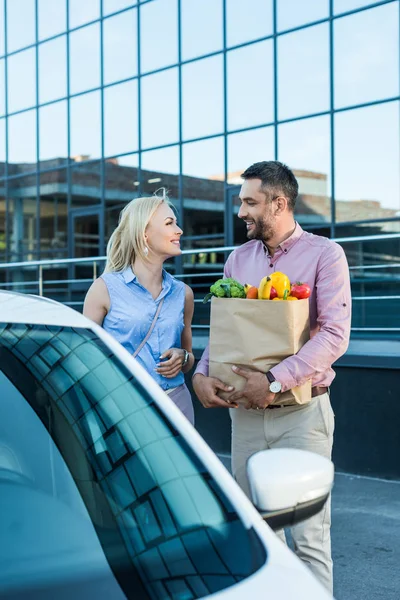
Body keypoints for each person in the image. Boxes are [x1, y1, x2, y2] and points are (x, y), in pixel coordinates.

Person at [192, 161, 351, 594]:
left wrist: (275, 380)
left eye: (249, 202)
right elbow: (223, 334)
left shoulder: (325, 255)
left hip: (302, 415)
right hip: (244, 417)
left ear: (279, 203)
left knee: (308, 538)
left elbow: (335, 336)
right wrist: (201, 374)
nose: (240, 211)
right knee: (260, 535)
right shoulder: (236, 260)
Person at [83, 190, 195, 425]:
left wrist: (182, 356)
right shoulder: (104, 289)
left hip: (177, 403)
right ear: (144, 234)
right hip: (125, 405)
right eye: (169, 223)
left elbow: (189, 360)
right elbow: (86, 359)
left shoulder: (183, 293)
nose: (179, 230)